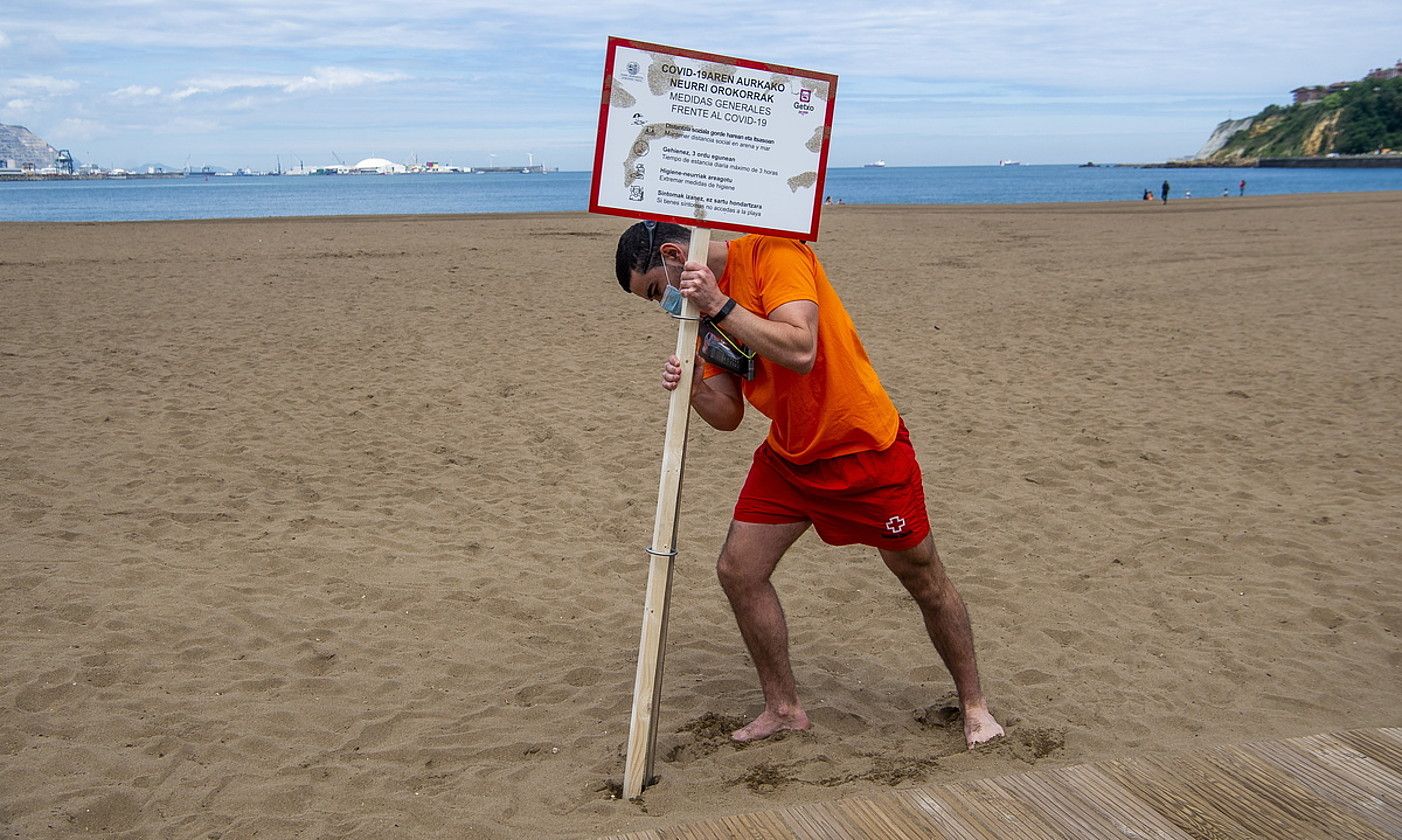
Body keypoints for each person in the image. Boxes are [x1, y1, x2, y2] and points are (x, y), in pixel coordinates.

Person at [613, 220, 1005, 750]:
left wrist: (720, 304)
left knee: (922, 575)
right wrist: (691, 391)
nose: (665, 305)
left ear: (673, 254)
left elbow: (801, 348)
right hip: (790, 457)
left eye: (658, 291)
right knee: (739, 570)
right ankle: (783, 707)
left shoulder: (773, 252)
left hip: (862, 444)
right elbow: (728, 414)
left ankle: (975, 706)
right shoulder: (700, 320)